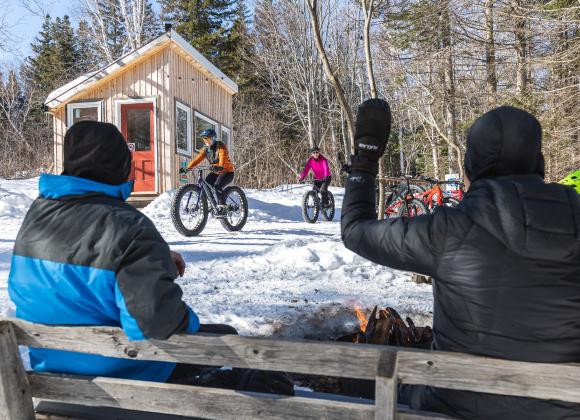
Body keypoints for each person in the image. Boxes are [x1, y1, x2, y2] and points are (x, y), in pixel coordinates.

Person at [341, 100, 580, 419]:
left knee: (361, 383)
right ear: (539, 162)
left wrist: (366, 158)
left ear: (470, 167)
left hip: (456, 409)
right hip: (565, 409)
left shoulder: (449, 230)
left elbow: (356, 230)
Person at [8, 121, 235, 384]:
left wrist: (152, 257)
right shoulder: (130, 226)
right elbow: (155, 323)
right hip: (123, 381)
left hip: (53, 378)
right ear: (120, 166)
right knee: (228, 339)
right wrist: (190, 321)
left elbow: (80, 258)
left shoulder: (37, 218)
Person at [180, 128, 235, 214]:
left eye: (208, 139)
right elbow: (196, 160)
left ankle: (222, 206)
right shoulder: (205, 150)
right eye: (204, 140)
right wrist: (187, 168)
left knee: (217, 186)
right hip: (215, 171)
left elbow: (222, 158)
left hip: (227, 171)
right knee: (206, 186)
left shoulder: (221, 147)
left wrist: (220, 166)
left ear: (213, 138)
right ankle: (211, 204)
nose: (207, 142)